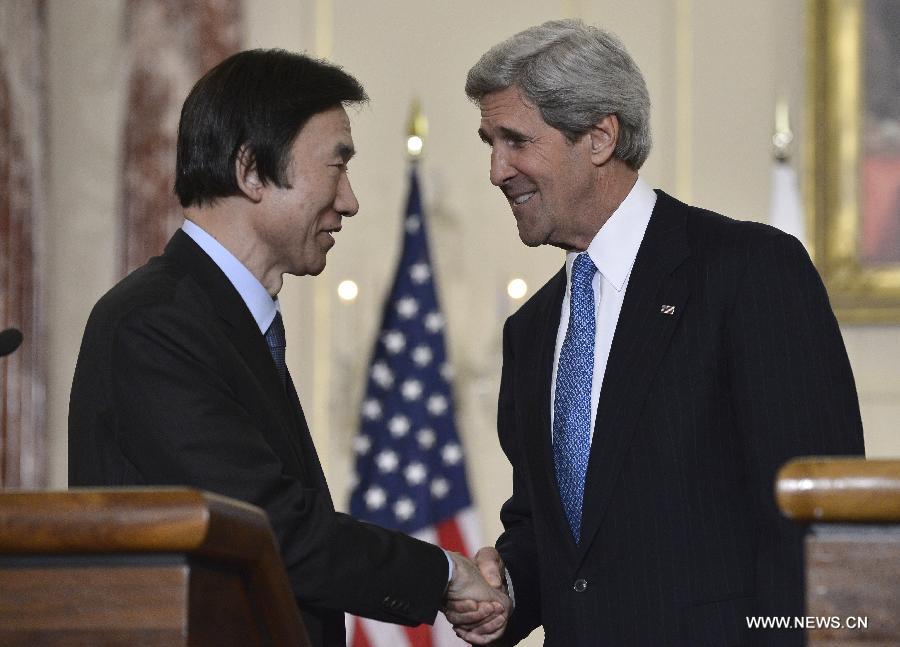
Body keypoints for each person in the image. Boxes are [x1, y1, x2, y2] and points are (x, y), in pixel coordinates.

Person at [68, 49, 508, 647]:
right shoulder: (154, 324)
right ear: (252, 171)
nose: (350, 200)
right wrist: (444, 572)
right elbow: (268, 529)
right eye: (336, 167)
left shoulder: (219, 319)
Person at [446, 19, 865, 646]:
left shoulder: (748, 271)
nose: (496, 170)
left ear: (598, 136)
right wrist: (509, 590)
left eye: (515, 141)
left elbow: (816, 522)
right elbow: (553, 532)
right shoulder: (530, 331)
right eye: (489, 142)